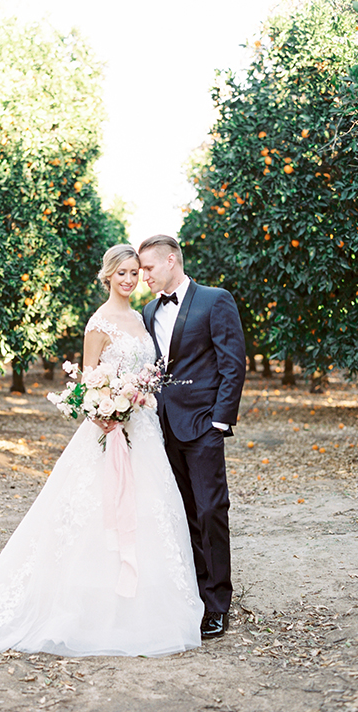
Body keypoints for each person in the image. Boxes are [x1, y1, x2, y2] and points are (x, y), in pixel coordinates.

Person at [0, 244, 204, 657]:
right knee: (94, 513)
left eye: (135, 272)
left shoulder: (142, 319)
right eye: (121, 272)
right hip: (108, 431)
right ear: (107, 276)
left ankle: (148, 601)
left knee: (150, 509)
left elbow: (146, 374)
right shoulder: (99, 323)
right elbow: (89, 383)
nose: (129, 279)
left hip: (144, 430)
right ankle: (90, 601)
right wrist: (105, 412)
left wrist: (134, 402)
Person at [139, 235, 246, 639]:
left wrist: (220, 421)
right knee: (184, 516)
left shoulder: (215, 300)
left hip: (203, 425)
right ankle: (197, 595)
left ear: (172, 260)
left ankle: (218, 604)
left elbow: (233, 363)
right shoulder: (148, 311)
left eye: (149, 267)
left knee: (211, 511)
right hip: (162, 427)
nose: (144, 275)